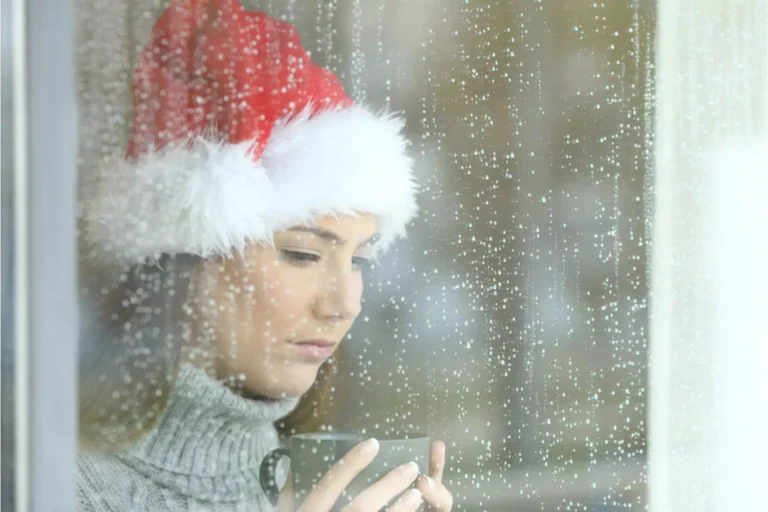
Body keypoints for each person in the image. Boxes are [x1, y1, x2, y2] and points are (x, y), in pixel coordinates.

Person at [76, 0, 454, 511]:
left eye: (359, 261)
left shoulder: (318, 483)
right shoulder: (50, 486)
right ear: (187, 261)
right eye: (303, 254)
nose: (345, 305)